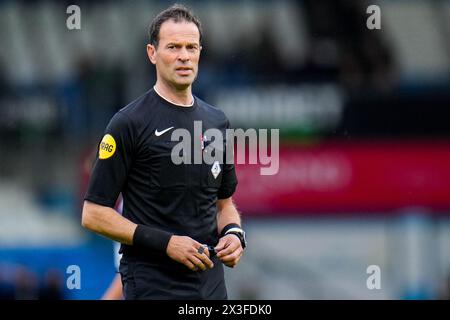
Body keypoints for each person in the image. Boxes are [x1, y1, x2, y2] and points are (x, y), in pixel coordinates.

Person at [82, 4, 246, 300]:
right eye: (173, 47)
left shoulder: (217, 122)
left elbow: (224, 204)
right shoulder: (128, 123)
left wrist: (234, 233)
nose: (184, 55)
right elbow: (93, 213)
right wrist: (167, 243)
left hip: (210, 286)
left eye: (191, 47)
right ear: (152, 53)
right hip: (152, 284)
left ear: (199, 52)